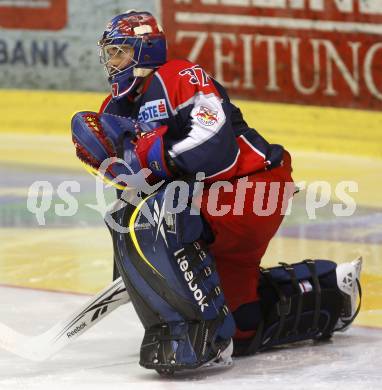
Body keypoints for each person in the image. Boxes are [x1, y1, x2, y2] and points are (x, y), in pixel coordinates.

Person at [71, 10, 362, 375]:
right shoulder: (116, 109)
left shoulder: (179, 76)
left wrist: (144, 155)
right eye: (109, 54)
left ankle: (199, 334)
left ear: (146, 49)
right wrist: (112, 168)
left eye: (120, 53)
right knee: (242, 323)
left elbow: (215, 149)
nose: (112, 63)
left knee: (157, 214)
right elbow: (141, 183)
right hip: (220, 202)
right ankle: (331, 291)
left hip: (254, 186)